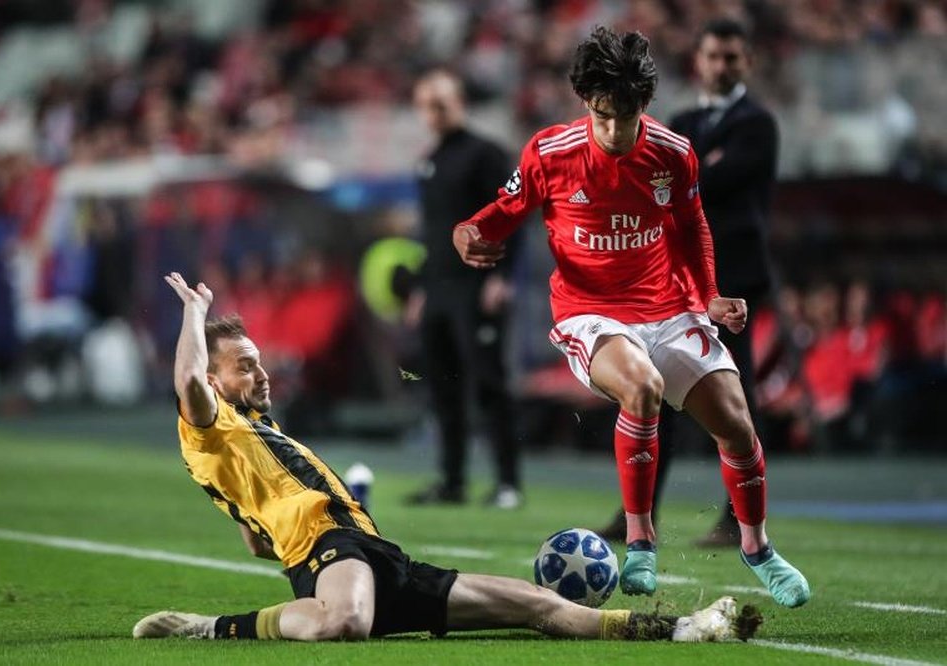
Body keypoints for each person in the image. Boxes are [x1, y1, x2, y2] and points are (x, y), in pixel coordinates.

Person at [132, 272, 760, 644]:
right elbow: (188, 381)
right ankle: (211, 627)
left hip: (371, 555)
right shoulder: (207, 424)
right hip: (334, 555)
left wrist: (298, 516)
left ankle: (684, 627)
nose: (262, 370)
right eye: (245, 365)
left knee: (537, 606)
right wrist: (194, 312)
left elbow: (257, 543)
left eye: (260, 358)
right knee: (343, 623)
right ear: (214, 380)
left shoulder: (255, 435)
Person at [451, 28, 809, 608]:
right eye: (603, 115)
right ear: (585, 103)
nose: (615, 131)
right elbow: (500, 212)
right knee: (642, 387)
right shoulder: (549, 152)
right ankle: (641, 541)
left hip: (667, 307)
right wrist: (466, 233)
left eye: (626, 116)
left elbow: (693, 230)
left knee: (738, 425)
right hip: (588, 312)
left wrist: (709, 298)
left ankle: (757, 548)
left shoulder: (673, 152)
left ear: (646, 104)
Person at [597, 18, 781, 548]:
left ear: (747, 62)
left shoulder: (757, 124)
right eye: (714, 56)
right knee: (652, 392)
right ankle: (640, 512)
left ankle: (736, 517)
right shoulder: (678, 122)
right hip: (672, 287)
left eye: (732, 57)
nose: (722, 66)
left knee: (736, 396)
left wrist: (677, 176)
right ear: (698, 61)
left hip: (735, 281)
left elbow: (698, 185)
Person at [404, 68, 522, 508]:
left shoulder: (487, 154)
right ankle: (452, 481)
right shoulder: (428, 161)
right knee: (442, 387)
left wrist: (501, 276)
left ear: (460, 103)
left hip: (477, 287)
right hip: (438, 290)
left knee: (489, 384)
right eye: (426, 105)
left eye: (442, 103)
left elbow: (514, 213)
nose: (434, 112)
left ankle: (508, 482)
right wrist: (420, 289)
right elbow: (431, 233)